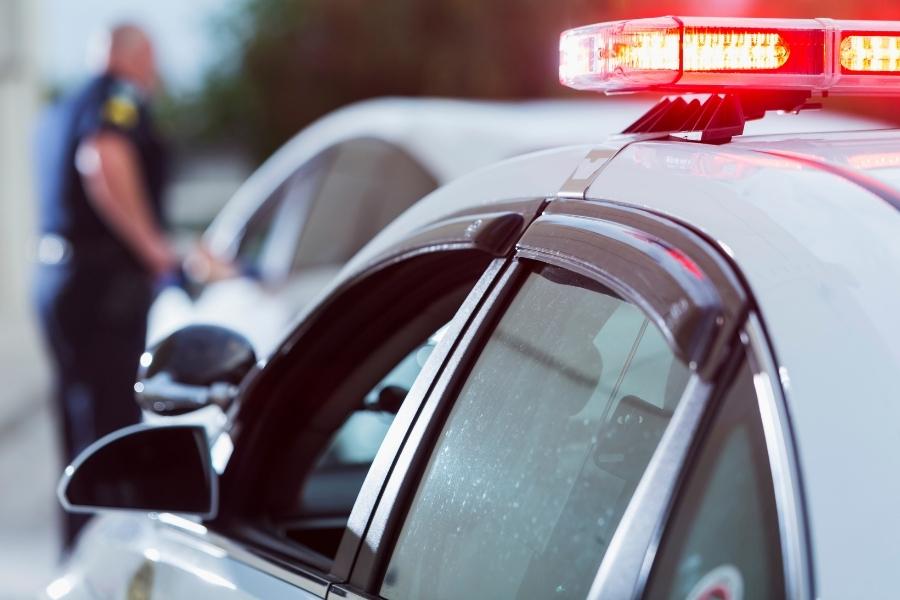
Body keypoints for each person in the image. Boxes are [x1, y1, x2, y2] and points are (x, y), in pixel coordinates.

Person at [32, 23, 176, 550]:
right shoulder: (115, 97)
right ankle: (108, 563)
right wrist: (154, 247)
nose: (156, 73)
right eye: (153, 59)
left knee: (77, 426)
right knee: (111, 432)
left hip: (56, 279)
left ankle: (77, 552)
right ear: (134, 56)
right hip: (102, 288)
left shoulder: (58, 108)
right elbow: (103, 158)